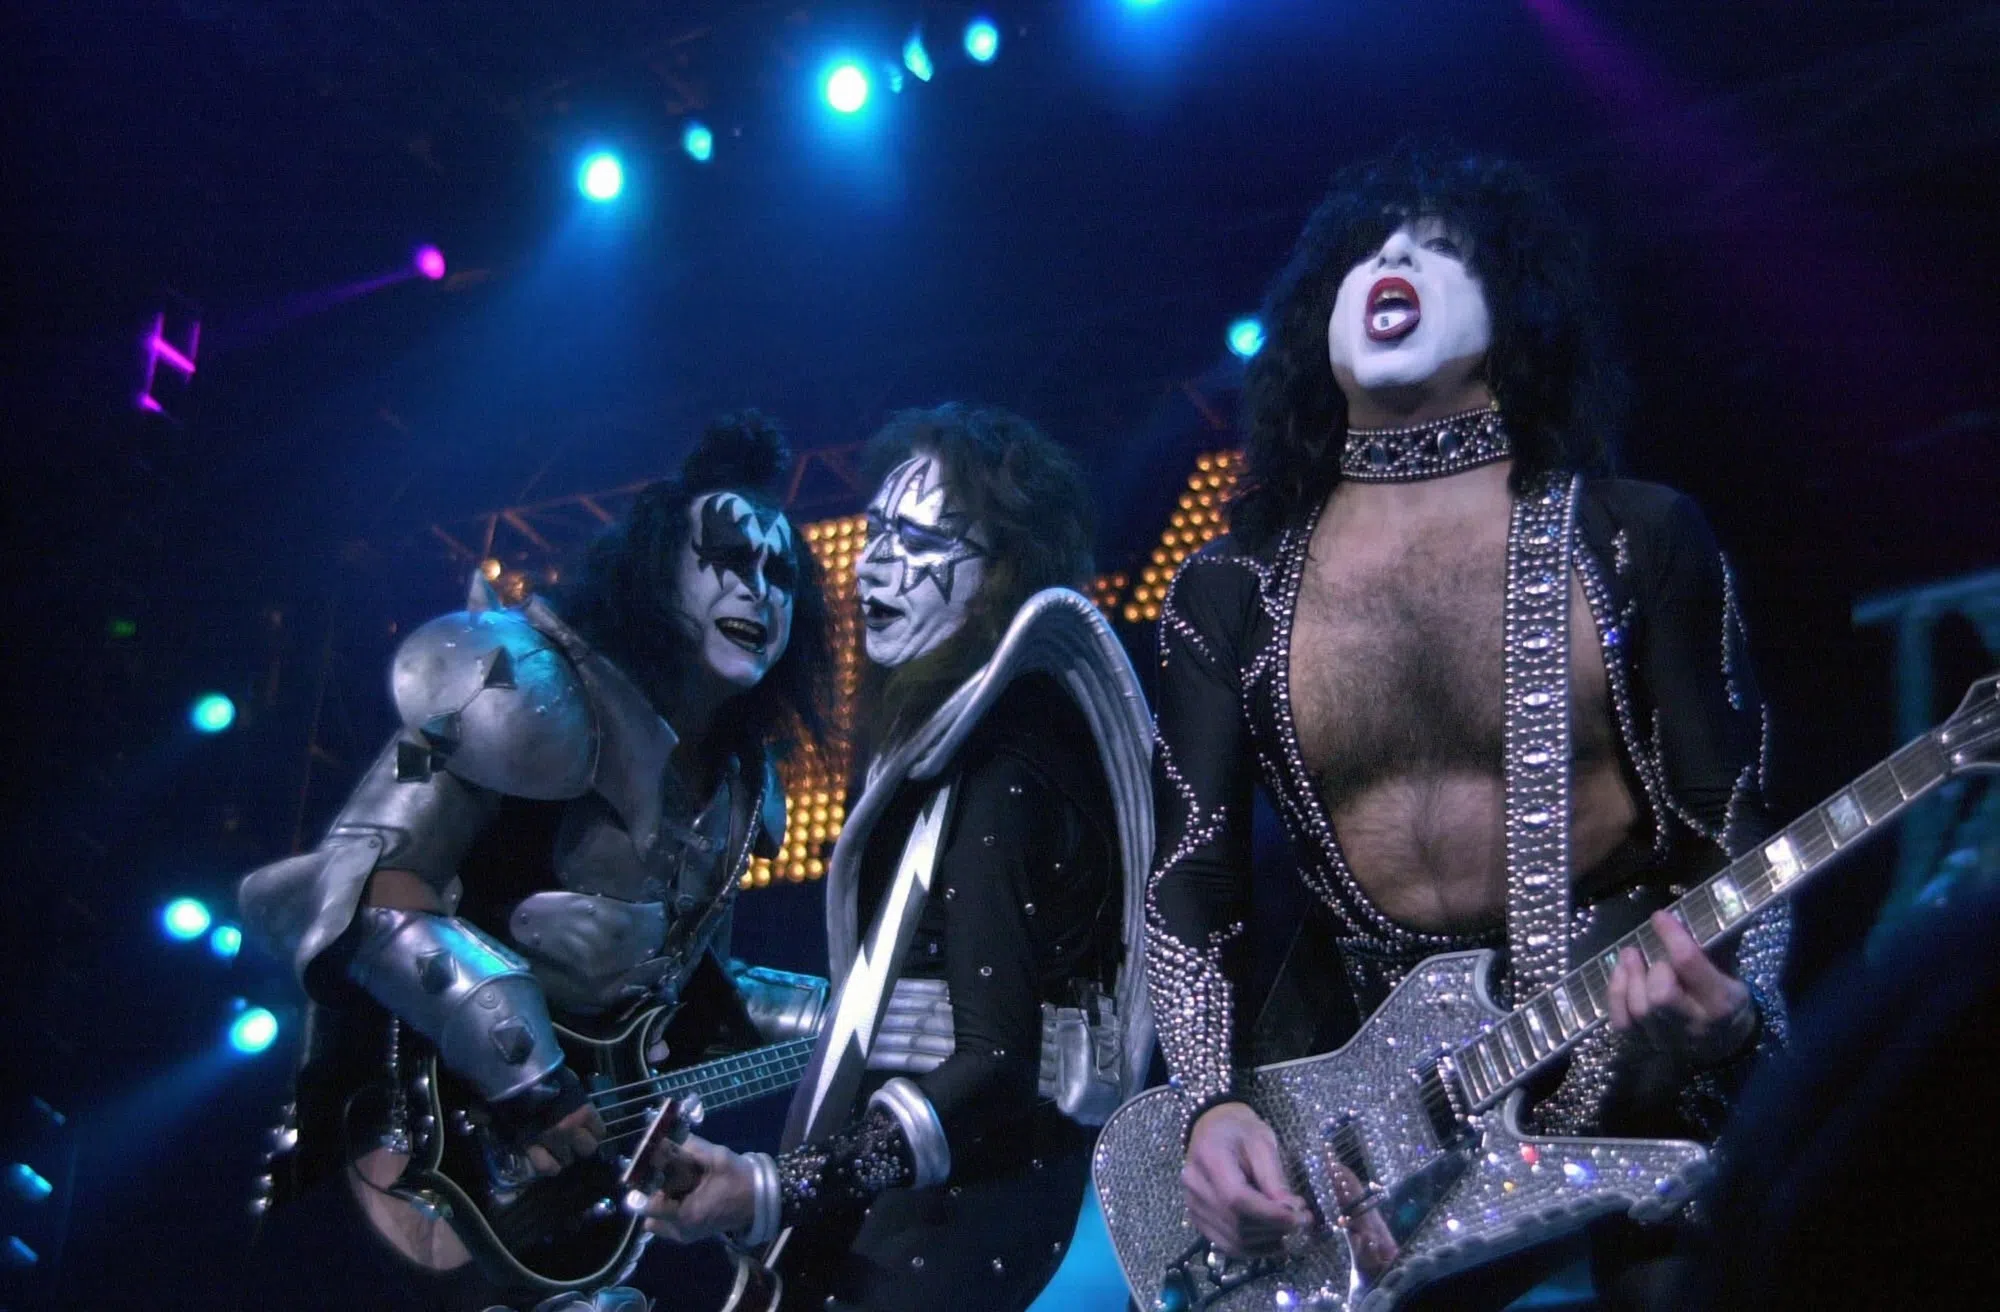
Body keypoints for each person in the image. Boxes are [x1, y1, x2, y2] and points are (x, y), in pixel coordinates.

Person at [1144, 151, 1790, 1308]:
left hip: (1634, 1076)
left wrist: (1735, 1013)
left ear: (1515, 311)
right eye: (1365, 251)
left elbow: (1735, 825)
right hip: (1373, 1127)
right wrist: (1209, 1102)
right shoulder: (1230, 589)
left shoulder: (1632, 537)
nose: (1392, 255)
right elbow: (1192, 879)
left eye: (1441, 248)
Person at [236, 413, 836, 1312]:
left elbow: (689, 993)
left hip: (558, 1214)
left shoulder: (743, 787)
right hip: (406, 1153)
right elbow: (365, 881)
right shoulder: (508, 678)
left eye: (781, 574)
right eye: (729, 558)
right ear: (656, 566)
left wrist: (860, 1011)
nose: (759, 590)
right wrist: (531, 1081)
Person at [638, 404, 1155, 1312]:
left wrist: (771, 1186)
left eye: (915, 541)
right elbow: (881, 1016)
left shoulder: (1009, 761)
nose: (871, 564)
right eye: (876, 532)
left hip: (962, 1238)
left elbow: (994, 1064)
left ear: (1000, 573)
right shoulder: (944, 757)